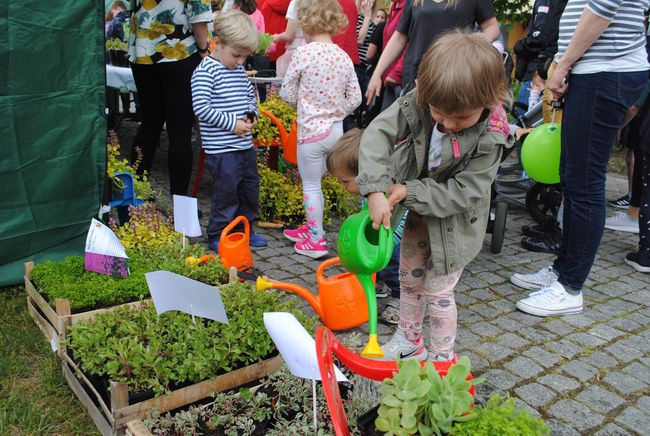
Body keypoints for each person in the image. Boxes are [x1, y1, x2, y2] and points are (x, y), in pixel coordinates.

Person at [357, 32, 512, 361]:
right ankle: (409, 340)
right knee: (409, 279)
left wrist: (409, 190)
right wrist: (373, 188)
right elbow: (378, 133)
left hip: (456, 225)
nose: (448, 124)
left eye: (461, 118)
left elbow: (464, 192)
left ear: (487, 101)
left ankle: (443, 357)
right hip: (418, 215)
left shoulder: (491, 137)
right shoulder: (421, 98)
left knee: (438, 290)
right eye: (439, 114)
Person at [511, 0, 649, 317]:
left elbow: (603, 7)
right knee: (573, 178)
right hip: (592, 71)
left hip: (605, 72)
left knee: (584, 182)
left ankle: (570, 287)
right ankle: (562, 270)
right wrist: (565, 61)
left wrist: (563, 64)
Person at [279, 0, 362, 258]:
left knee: (311, 186)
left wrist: (302, 104)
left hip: (311, 133)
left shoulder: (304, 53)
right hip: (335, 131)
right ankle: (310, 227)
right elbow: (356, 98)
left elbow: (287, 92)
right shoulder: (342, 55)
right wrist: (338, 112)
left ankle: (316, 241)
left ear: (305, 20)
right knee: (318, 186)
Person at [191, 11, 268, 251]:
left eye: (245, 57)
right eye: (236, 55)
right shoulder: (206, 71)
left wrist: (251, 114)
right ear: (217, 43)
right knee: (227, 193)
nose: (240, 62)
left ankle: (244, 228)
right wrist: (232, 124)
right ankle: (218, 233)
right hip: (221, 149)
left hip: (244, 146)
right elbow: (201, 108)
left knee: (249, 190)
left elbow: (249, 97)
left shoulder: (237, 71)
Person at [128, 0, 212, 196]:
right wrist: (204, 49)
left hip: (142, 51)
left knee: (149, 125)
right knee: (180, 131)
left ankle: (134, 199)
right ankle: (182, 211)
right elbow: (198, 12)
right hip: (180, 51)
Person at [326, 128, 404, 322]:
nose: (342, 186)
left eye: (345, 181)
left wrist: (389, 240)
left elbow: (404, 217)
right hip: (380, 235)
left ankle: (401, 297)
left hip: (396, 239)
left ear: (366, 173)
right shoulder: (367, 190)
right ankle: (380, 282)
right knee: (374, 256)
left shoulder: (389, 189)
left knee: (394, 264)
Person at [366, 0, 500, 103]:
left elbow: (491, 27)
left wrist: (474, 42)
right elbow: (399, 37)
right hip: (415, 78)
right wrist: (377, 74)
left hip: (454, 78)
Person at [513, 0, 552, 116]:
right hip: (540, 70)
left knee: (524, 120)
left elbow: (538, 39)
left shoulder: (547, 2)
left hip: (537, 72)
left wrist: (518, 47)